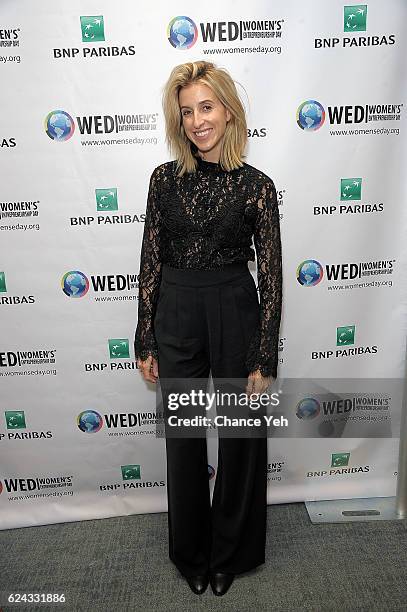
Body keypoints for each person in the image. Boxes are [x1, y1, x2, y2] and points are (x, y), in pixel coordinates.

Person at [134, 60, 283, 597]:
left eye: (206, 107)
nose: (197, 120)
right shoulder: (163, 181)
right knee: (185, 438)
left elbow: (271, 276)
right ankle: (191, 552)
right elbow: (150, 259)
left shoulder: (257, 187)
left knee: (242, 438)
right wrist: (144, 336)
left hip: (234, 311)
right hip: (176, 314)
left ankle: (231, 553)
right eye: (187, 111)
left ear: (227, 110)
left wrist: (264, 356)